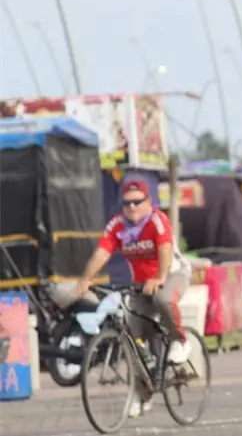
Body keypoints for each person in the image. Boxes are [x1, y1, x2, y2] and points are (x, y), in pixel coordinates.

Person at [76, 179, 191, 418]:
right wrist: (85, 279)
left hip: (172, 273)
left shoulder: (157, 220)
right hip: (140, 284)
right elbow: (101, 253)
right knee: (133, 333)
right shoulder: (117, 226)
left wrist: (160, 277)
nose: (132, 207)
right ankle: (142, 392)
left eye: (138, 202)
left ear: (148, 202)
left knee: (163, 300)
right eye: (127, 203)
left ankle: (180, 340)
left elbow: (165, 250)